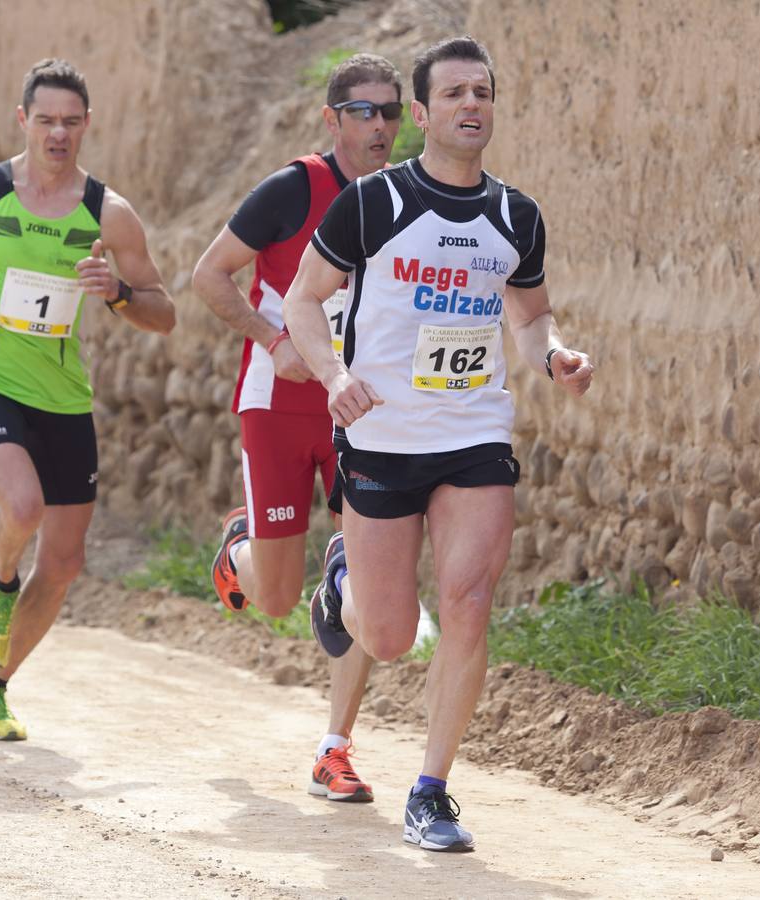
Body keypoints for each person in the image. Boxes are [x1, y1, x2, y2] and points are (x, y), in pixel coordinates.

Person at [283, 36, 594, 852]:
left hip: (473, 433)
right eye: (453, 93)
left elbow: (527, 317)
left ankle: (433, 790)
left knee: (467, 602)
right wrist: (332, 376)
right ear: (421, 114)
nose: (471, 105)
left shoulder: (515, 215)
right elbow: (303, 302)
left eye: (482, 92)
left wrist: (554, 355)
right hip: (382, 436)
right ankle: (342, 580)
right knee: (387, 637)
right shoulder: (374, 203)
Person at [0, 59, 176, 741]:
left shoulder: (107, 214)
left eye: (70, 122)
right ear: (23, 121)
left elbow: (164, 312)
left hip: (63, 395)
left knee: (66, 561)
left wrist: (114, 291)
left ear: (88, 126)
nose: (58, 133)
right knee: (21, 507)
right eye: (46, 120)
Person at [194, 53, 406, 803]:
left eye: (390, 111)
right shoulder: (294, 188)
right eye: (363, 112)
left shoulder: (404, 197)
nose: (379, 125)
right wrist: (273, 337)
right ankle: (240, 546)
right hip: (279, 402)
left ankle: (334, 749)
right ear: (332, 118)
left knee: (369, 574)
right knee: (279, 600)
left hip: (362, 410)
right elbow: (209, 274)